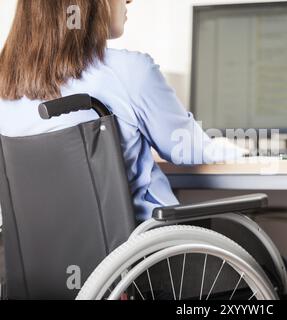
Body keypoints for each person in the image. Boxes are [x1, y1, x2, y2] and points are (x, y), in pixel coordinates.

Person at [0, 0, 244, 221]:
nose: (129, 0)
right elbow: (187, 148)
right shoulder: (130, 71)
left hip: (46, 267)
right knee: (268, 261)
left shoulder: (5, 87)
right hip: (145, 260)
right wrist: (240, 148)